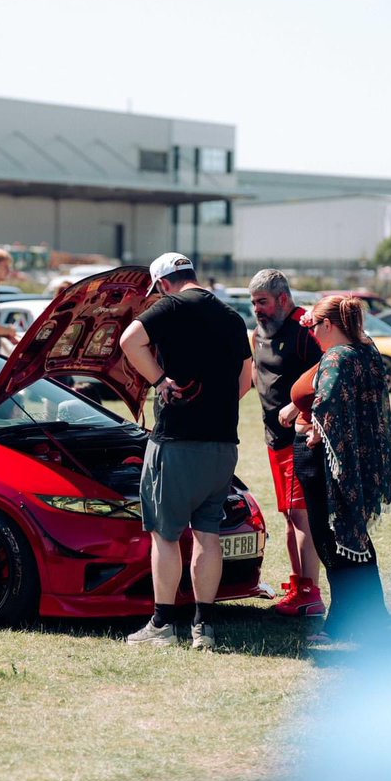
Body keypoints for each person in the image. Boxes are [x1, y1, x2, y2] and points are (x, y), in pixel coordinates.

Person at [121, 252, 252, 650]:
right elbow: (245, 381)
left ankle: (162, 624)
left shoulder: (171, 306)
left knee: (166, 534)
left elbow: (129, 341)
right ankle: (204, 628)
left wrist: (161, 379)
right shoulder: (232, 317)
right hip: (222, 444)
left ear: (163, 283)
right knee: (207, 534)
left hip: (177, 442)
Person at [286, 296, 391, 643]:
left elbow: (329, 399)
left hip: (325, 462)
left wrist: (315, 428)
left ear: (329, 325)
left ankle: (342, 622)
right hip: (356, 461)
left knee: (331, 541)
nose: (313, 333)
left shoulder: (336, 357)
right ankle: (373, 614)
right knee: (354, 538)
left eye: (314, 326)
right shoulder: (366, 351)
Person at [249, 269, 323, 615]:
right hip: (272, 439)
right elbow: (256, 378)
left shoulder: (307, 329)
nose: (257, 309)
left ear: (282, 298)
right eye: (253, 303)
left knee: (300, 514)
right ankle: (298, 585)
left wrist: (302, 409)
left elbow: (330, 373)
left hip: (300, 438)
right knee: (289, 516)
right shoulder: (258, 334)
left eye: (262, 302)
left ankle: (310, 592)